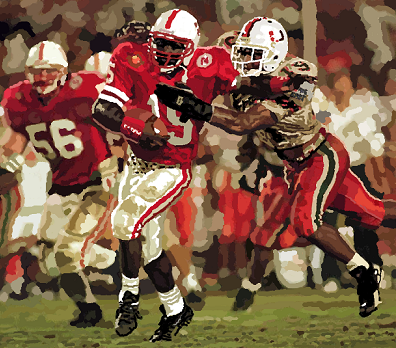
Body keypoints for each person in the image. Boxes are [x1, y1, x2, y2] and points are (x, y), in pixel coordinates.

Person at [201, 17, 396, 318]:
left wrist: (193, 106)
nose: (244, 61)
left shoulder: (297, 78)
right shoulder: (244, 76)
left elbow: (244, 122)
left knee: (307, 223)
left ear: (274, 55)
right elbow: (250, 127)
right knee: (375, 213)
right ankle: (250, 287)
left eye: (253, 55)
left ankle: (365, 272)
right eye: (244, 53)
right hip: (292, 165)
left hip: (320, 154)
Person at [92, 9, 240, 342]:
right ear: (151, 39)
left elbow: (243, 98)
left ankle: (127, 299)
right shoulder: (133, 56)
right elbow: (102, 110)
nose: (167, 53)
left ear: (192, 47)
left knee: (124, 220)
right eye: (161, 43)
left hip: (174, 167)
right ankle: (175, 310)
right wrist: (136, 128)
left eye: (176, 47)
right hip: (136, 161)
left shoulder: (212, 62)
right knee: (149, 246)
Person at [0, 41, 119, 327]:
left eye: (49, 71)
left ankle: (94, 304)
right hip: (61, 185)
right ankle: (107, 264)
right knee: (49, 261)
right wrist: (5, 157)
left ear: (63, 71)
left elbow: (120, 120)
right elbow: (16, 139)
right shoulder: (17, 99)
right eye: (36, 71)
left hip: (96, 182)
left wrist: (117, 157)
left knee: (67, 252)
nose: (42, 78)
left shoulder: (86, 88)